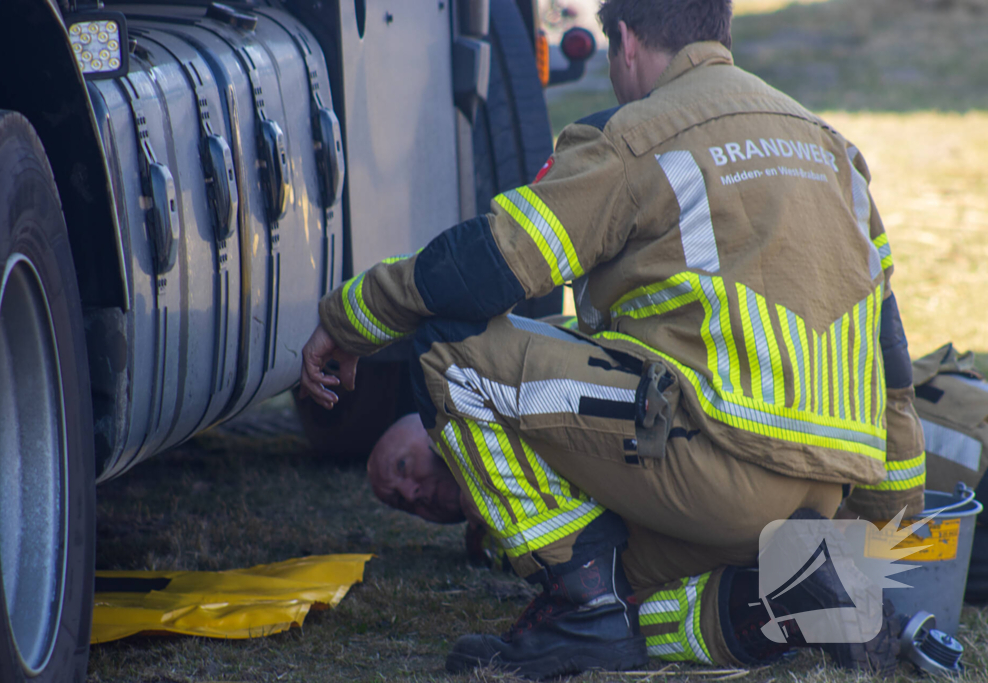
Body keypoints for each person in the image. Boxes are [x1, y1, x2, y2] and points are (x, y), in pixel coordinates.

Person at [300, 0, 926, 677]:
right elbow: (892, 368)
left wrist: (351, 317)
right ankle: (769, 597)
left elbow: (490, 263)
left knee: (447, 346)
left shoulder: (639, 134)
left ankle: (582, 604)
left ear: (624, 42)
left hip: (705, 466)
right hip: (818, 493)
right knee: (641, 600)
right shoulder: (836, 153)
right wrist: (883, 529)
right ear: (720, 31)